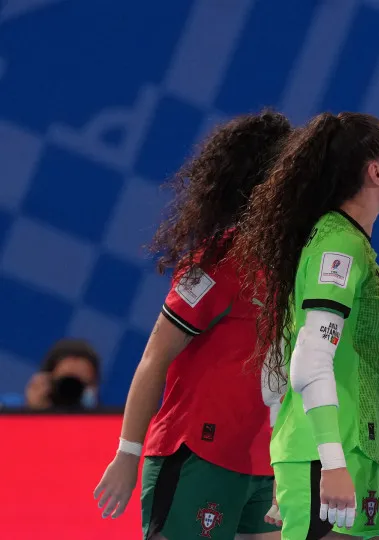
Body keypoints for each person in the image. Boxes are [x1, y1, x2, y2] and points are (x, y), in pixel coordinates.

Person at [92, 111, 292, 540]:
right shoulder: (218, 261)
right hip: (196, 456)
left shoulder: (298, 262)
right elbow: (155, 357)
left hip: (263, 465)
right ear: (264, 181)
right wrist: (127, 454)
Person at [235, 111, 379, 540]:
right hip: (332, 461)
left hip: (360, 455)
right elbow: (308, 361)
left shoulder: (343, 241)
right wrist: (330, 466)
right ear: (374, 171)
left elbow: (278, 361)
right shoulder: (338, 247)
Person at [24, 338, 100, 410]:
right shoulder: (14, 417)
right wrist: (34, 412)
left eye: (79, 384)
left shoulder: (108, 421)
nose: (72, 391)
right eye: (66, 383)